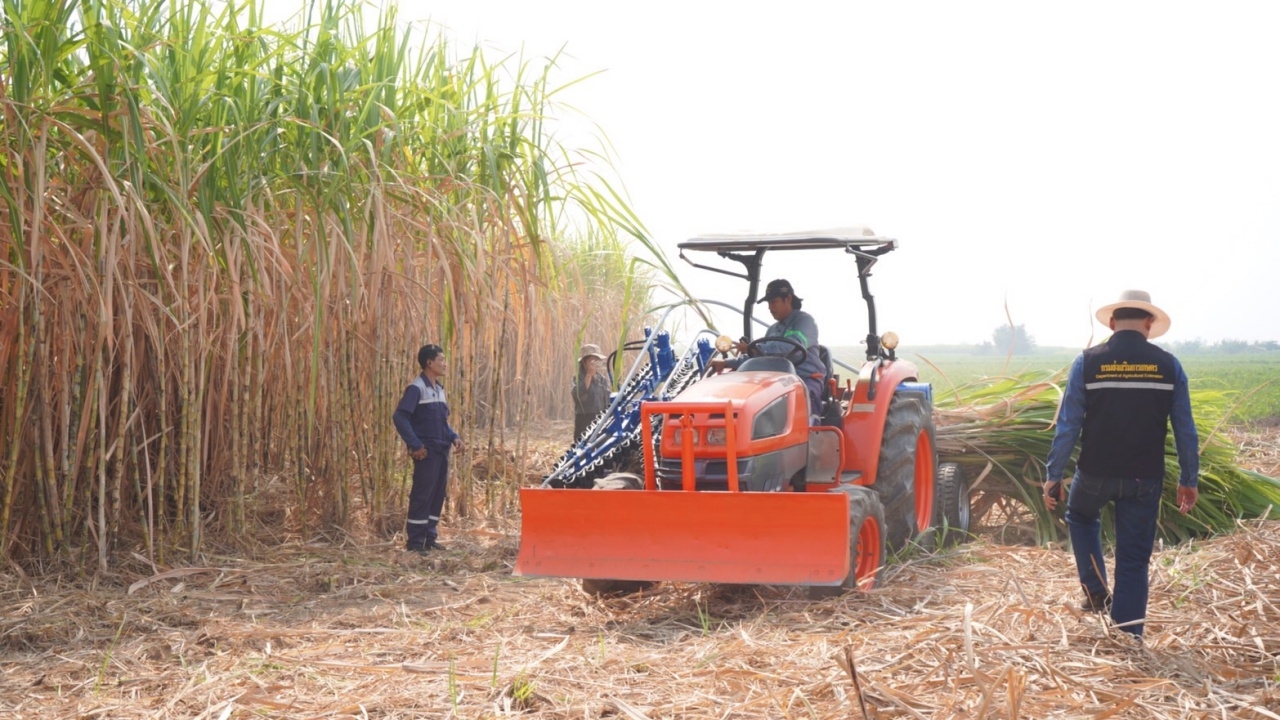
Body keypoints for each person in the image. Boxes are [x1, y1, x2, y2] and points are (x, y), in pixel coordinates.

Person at [1041, 289, 1199, 639]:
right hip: (1145, 478)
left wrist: (1054, 475)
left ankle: (1096, 591)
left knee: (1081, 516)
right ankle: (1128, 634)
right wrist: (1189, 478)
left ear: (1112, 323)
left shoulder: (1087, 362)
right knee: (1133, 558)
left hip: (1094, 472)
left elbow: (1068, 425)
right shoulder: (1169, 366)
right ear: (1148, 323)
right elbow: (1185, 428)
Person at [710, 278, 825, 413]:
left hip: (804, 379)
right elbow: (761, 358)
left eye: (773, 302)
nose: (770, 307)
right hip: (778, 382)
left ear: (788, 299)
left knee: (799, 404)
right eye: (768, 303)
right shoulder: (772, 329)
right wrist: (726, 363)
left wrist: (755, 348)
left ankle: (811, 427)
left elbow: (792, 349)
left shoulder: (804, 321)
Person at [393, 343, 464, 554]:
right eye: (441, 360)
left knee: (436, 495)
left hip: (442, 450)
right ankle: (415, 542)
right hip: (427, 452)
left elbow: (442, 422)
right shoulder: (416, 388)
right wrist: (415, 444)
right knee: (422, 496)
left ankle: (429, 538)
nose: (445, 364)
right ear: (429, 363)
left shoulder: (438, 390)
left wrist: (454, 437)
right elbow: (400, 417)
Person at [571, 343, 611, 440]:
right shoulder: (577, 378)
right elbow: (579, 396)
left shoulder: (602, 380)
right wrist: (589, 375)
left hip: (601, 419)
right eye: (592, 361)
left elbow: (607, 399)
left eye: (597, 360)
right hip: (585, 420)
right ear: (584, 362)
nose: (595, 364)